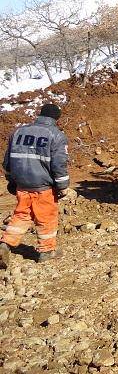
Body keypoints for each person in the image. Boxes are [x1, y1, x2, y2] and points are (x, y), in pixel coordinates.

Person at [0, 103, 69, 267]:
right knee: (46, 217)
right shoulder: (57, 136)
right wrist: (63, 186)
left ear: (40, 114)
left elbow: (7, 161)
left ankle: (5, 244)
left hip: (22, 184)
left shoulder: (18, 131)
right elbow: (59, 165)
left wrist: (11, 179)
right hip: (43, 186)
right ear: (56, 118)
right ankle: (46, 251)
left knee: (22, 214)